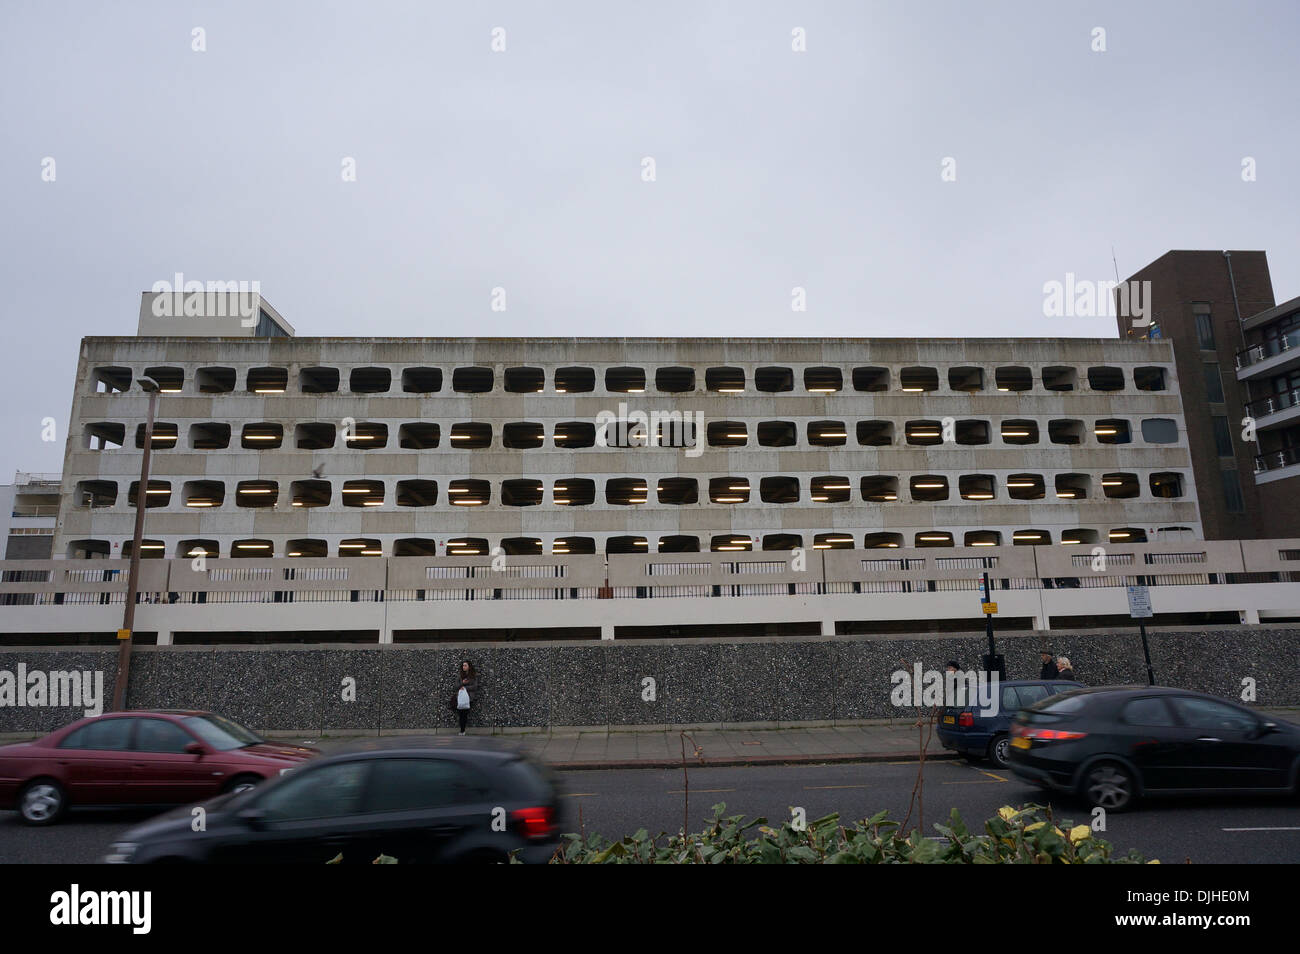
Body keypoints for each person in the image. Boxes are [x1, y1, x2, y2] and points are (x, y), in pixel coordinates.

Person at [454, 660, 481, 735]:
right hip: (460, 697)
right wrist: (462, 684)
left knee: (465, 714)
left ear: (469, 666)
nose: (464, 667)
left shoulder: (473, 675)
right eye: (463, 665)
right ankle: (462, 730)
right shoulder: (460, 675)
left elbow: (475, 687)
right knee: (460, 713)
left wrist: (465, 687)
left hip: (469, 697)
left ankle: (462, 730)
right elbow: (455, 686)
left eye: (465, 665)